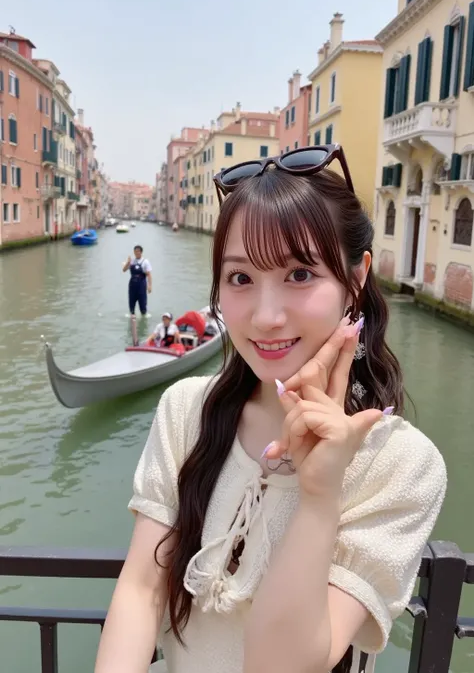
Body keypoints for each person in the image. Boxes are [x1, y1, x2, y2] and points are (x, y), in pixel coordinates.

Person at [96, 145, 447, 673]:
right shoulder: (185, 412)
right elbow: (142, 591)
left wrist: (320, 492)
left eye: (300, 274)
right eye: (240, 278)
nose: (264, 317)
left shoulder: (399, 465)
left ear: (356, 280)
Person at [123, 245, 152, 317]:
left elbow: (149, 275)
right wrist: (128, 262)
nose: (136, 253)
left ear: (141, 252)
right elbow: (124, 270)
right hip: (132, 285)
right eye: (135, 251)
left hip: (141, 285)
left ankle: (143, 315)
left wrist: (149, 286)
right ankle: (132, 317)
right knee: (131, 304)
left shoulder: (145, 262)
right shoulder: (132, 261)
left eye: (138, 251)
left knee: (142, 305)